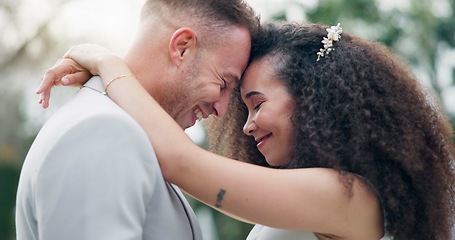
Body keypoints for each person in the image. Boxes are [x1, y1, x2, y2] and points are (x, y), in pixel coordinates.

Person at [36, 22, 455, 240]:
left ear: (312, 100)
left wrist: (109, 64)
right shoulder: (325, 194)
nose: (246, 124)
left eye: (257, 103)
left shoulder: (349, 197)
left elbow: (183, 162)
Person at [16, 0, 259, 239]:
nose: (222, 110)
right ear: (182, 47)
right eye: (224, 83)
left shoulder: (132, 136)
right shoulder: (103, 133)